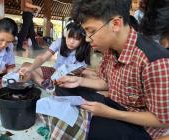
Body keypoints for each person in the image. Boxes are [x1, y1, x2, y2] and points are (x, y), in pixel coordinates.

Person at [43, 0, 169, 139]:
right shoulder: (109, 48)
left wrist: (109, 113)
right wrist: (78, 81)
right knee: (63, 89)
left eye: (91, 31)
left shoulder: (155, 61)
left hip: (140, 126)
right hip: (114, 105)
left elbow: (162, 120)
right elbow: (105, 82)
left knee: (88, 130)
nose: (88, 39)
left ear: (115, 24)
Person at [19, 22, 91, 86]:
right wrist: (30, 69)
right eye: (69, 37)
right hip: (54, 71)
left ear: (82, 40)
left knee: (31, 72)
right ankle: (45, 84)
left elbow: (80, 74)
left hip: (69, 77)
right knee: (26, 65)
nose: (71, 41)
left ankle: (45, 83)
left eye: (76, 39)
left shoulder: (84, 50)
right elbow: (42, 58)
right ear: (65, 35)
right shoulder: (60, 42)